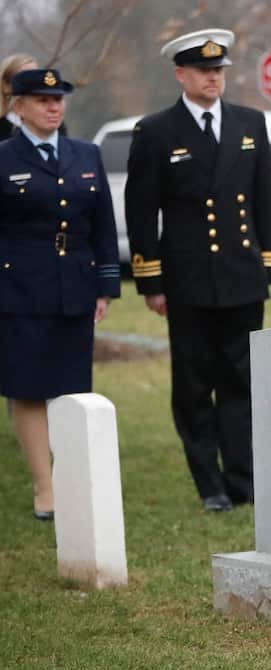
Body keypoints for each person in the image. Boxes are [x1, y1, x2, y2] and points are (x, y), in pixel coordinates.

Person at [125, 29, 271, 513]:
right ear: (181, 75)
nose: (214, 78)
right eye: (204, 71)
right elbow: (140, 210)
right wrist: (150, 280)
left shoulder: (250, 122)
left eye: (220, 71)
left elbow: (264, 200)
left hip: (240, 275)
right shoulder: (157, 131)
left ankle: (241, 478)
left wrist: (266, 262)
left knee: (240, 381)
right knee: (193, 384)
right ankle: (208, 481)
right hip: (187, 279)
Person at [0, 68, 119, 521]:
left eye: (59, 99)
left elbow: (103, 227)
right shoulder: (5, 158)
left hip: (76, 285)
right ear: (19, 106)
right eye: (41, 99)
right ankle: (44, 487)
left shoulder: (84, 153)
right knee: (28, 389)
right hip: (19, 289)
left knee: (71, 389)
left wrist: (106, 286)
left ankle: (72, 479)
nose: (53, 106)